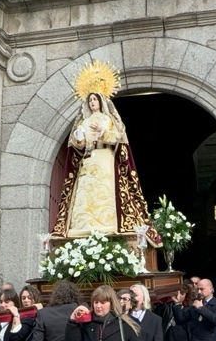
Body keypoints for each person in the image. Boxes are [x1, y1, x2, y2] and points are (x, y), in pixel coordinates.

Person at [50, 89, 160, 245]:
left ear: (101, 102)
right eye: (90, 100)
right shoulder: (84, 122)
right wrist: (79, 137)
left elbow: (118, 137)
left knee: (105, 189)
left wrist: (103, 132)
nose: (92, 102)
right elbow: (78, 146)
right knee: (86, 192)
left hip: (105, 158)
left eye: (95, 99)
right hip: (88, 161)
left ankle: (108, 224)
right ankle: (84, 225)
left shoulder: (108, 119)